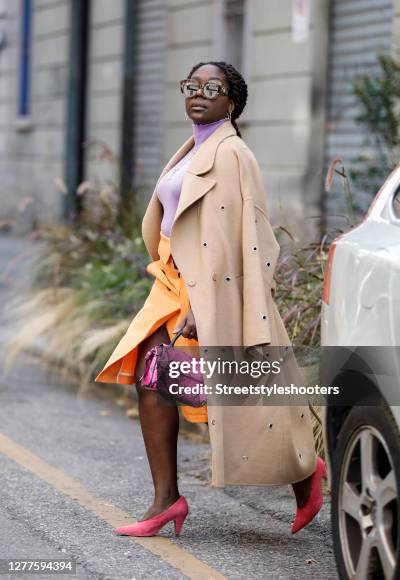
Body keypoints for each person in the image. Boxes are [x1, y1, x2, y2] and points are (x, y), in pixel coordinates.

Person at [94, 61, 326, 538]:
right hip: (172, 282)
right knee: (153, 380)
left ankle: (307, 474)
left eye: (212, 88)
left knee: (243, 391)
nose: (199, 94)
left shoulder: (232, 153)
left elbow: (242, 233)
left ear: (232, 102)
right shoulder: (192, 148)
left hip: (208, 289)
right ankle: (166, 499)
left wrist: (206, 301)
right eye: (192, 86)